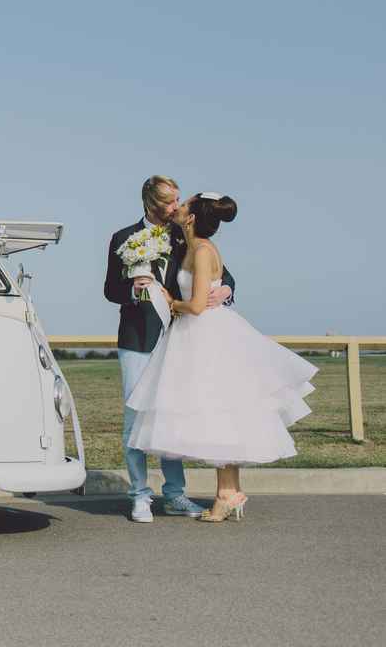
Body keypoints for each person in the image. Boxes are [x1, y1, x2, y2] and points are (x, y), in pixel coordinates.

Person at [126, 194, 317, 522]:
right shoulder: (190, 246)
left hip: (206, 335)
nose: (178, 207)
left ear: (190, 218)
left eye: (183, 205)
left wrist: (170, 300)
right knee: (220, 413)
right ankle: (228, 493)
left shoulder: (201, 251)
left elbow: (198, 305)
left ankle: (226, 495)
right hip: (194, 335)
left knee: (220, 412)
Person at [104, 176, 234, 523]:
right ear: (150, 203)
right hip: (137, 339)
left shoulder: (185, 236)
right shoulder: (123, 239)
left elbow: (224, 276)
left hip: (178, 341)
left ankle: (175, 494)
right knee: (135, 420)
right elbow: (110, 289)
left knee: (170, 416)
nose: (177, 207)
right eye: (170, 202)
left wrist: (225, 292)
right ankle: (139, 496)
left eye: (178, 200)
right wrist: (134, 290)